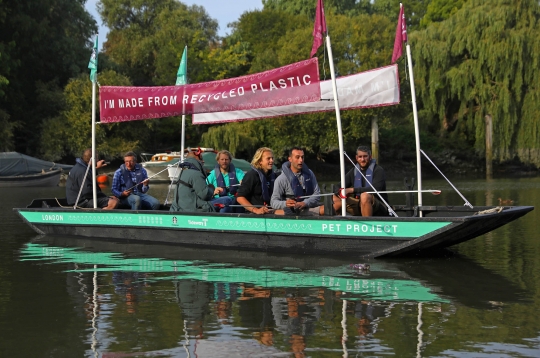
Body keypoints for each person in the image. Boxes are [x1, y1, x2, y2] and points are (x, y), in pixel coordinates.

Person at [333, 145, 389, 216]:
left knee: (364, 196)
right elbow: (337, 186)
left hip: (378, 206)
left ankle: (367, 224)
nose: (362, 159)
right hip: (358, 204)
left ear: (370, 157)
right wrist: (340, 192)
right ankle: (338, 222)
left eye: (365, 156)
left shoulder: (378, 170)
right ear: (356, 158)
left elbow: (375, 188)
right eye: (360, 157)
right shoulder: (354, 171)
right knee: (335, 196)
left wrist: (351, 190)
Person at [271, 147, 325, 216]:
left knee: (336, 204)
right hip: (294, 211)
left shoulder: (309, 173)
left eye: (302, 157)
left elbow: (317, 194)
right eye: (297, 157)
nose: (301, 160)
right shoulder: (281, 179)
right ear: (290, 159)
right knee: (331, 208)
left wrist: (305, 203)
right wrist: (285, 203)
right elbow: (273, 202)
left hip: (309, 206)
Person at [236, 147, 284, 215]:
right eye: (268, 158)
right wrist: (256, 210)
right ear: (260, 161)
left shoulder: (275, 176)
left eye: (272, 158)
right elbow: (240, 197)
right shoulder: (251, 175)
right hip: (255, 214)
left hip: (271, 211)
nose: (272, 161)